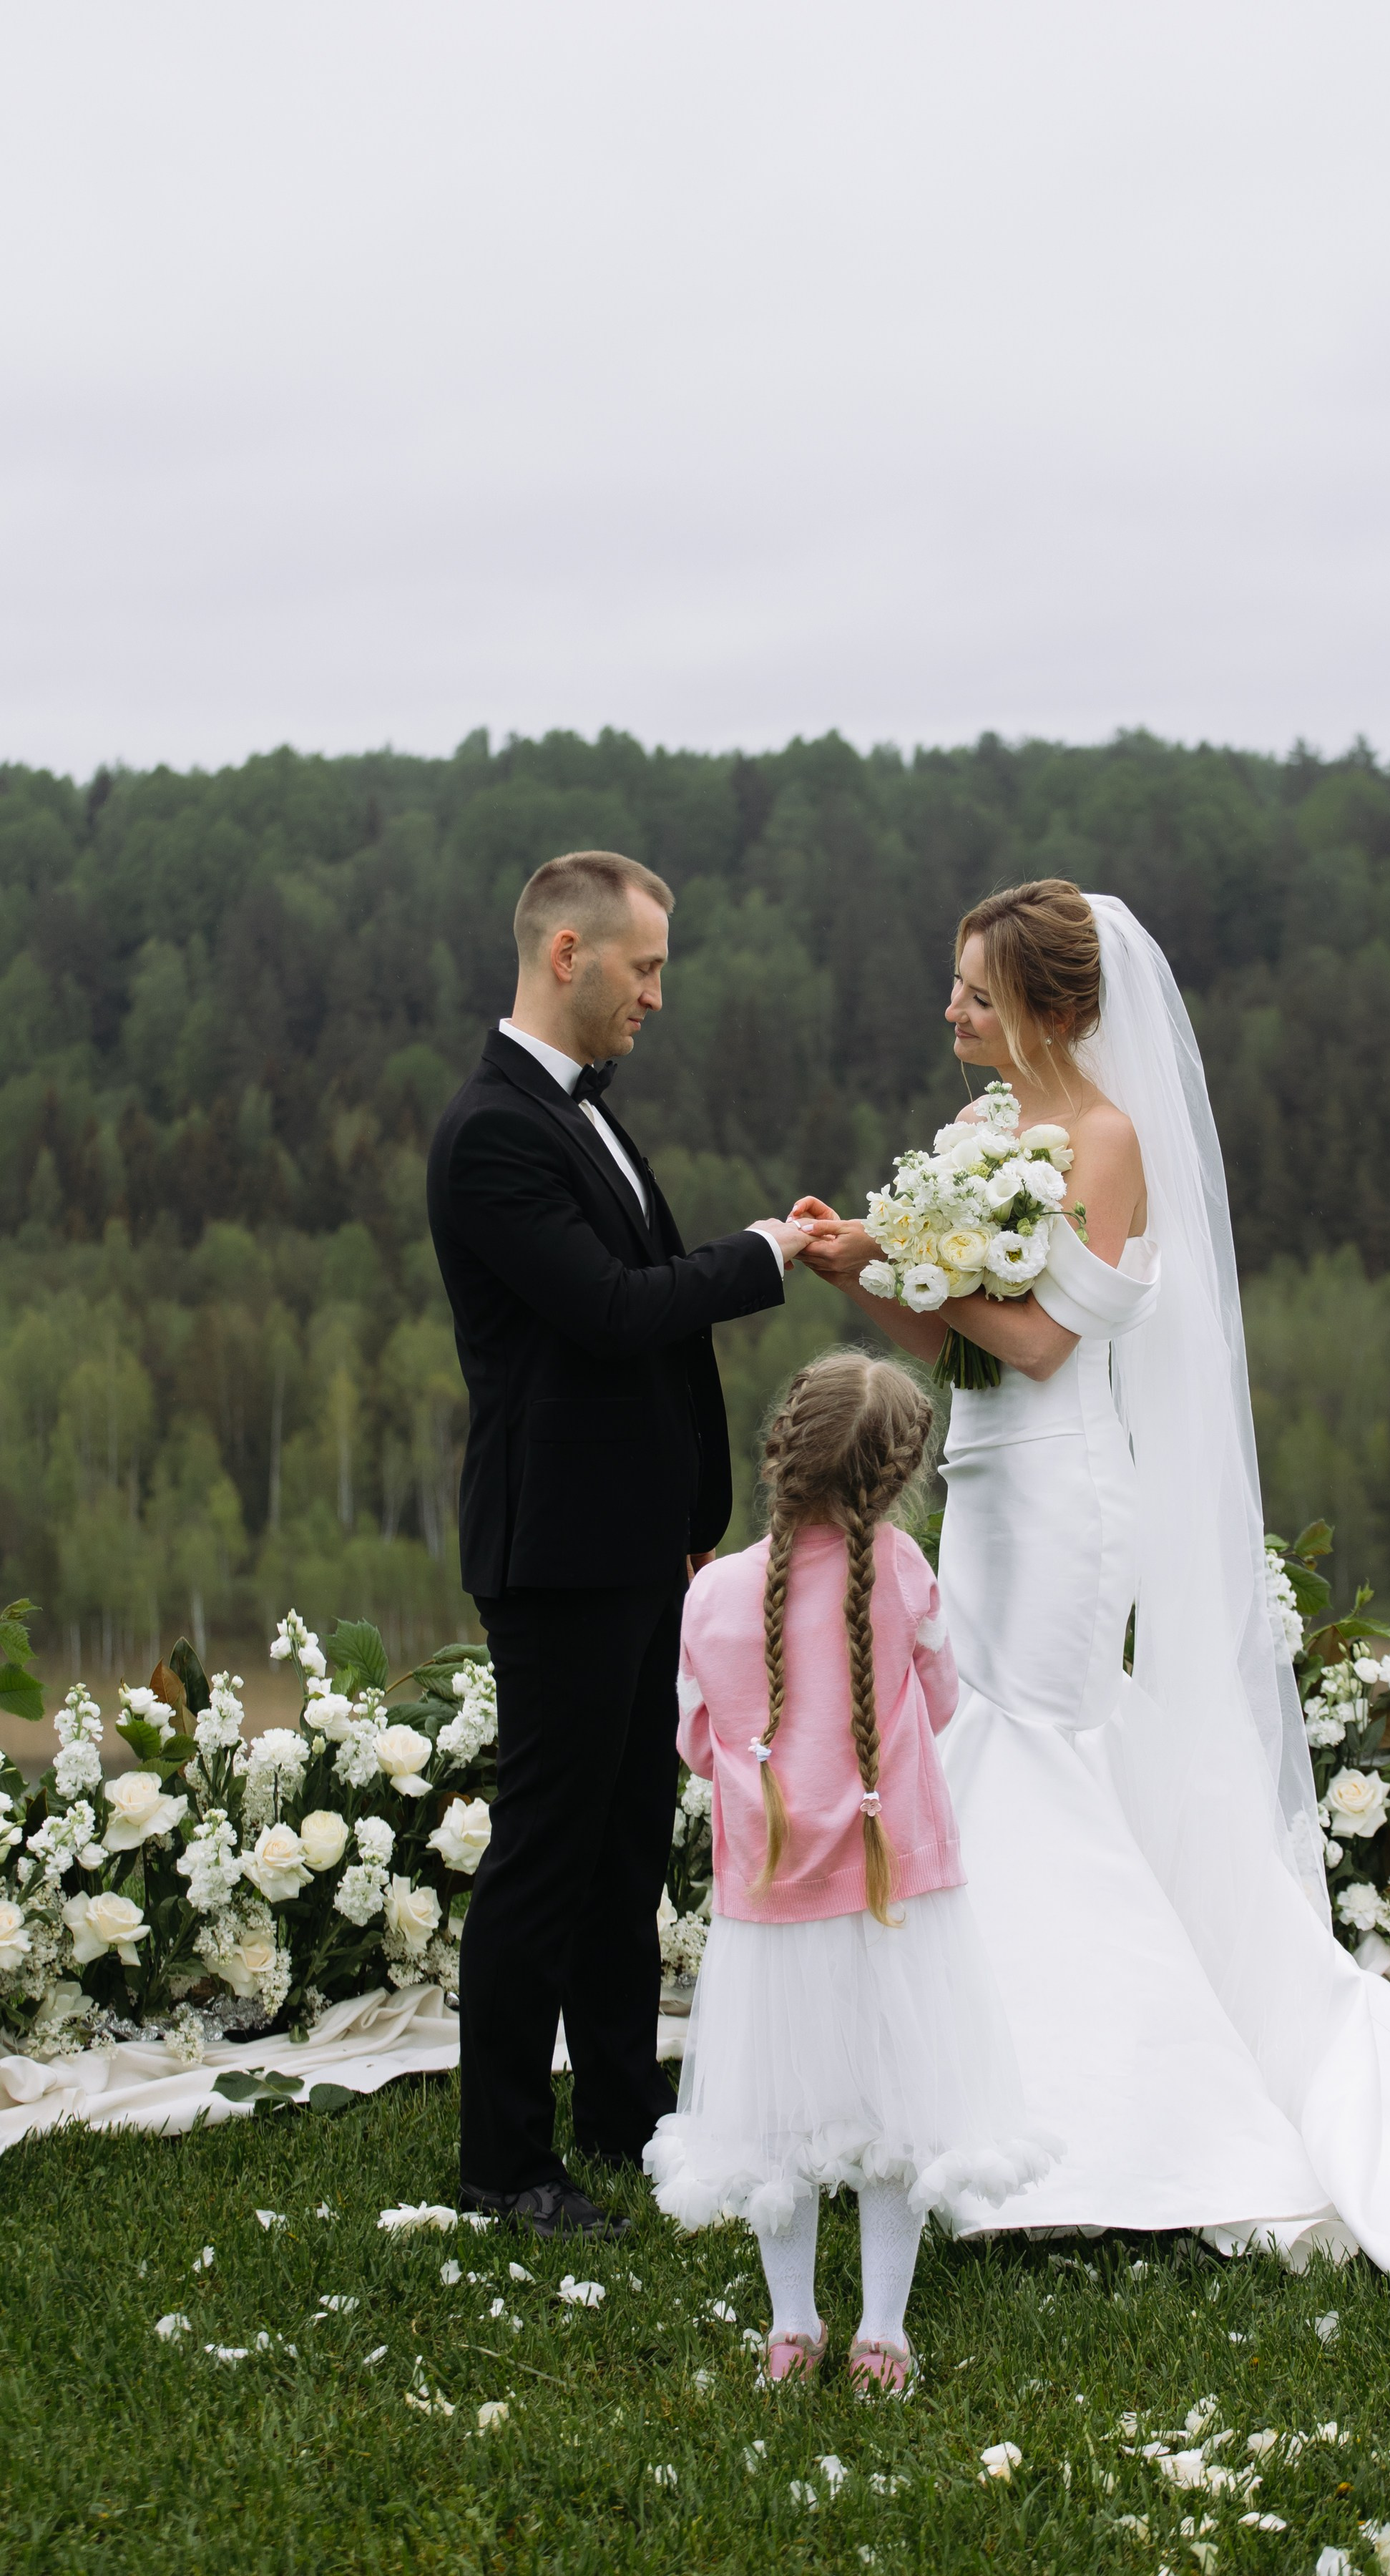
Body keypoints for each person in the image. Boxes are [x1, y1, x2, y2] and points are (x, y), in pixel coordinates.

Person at [797, 877, 1390, 2292]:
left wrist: (897, 1268)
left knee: (1033, 1752)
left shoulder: (1105, 1138)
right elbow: (956, 1343)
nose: (952, 1012)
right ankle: (984, 2095)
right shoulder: (988, 1134)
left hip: (1066, 1487)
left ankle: (1110, 2124)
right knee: (989, 1744)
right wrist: (863, 1268)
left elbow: (1041, 1345)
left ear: (1052, 1008)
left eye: (976, 992)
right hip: (983, 1480)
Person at [427, 849, 810, 2240]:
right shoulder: (494, 1133)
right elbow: (607, 1308)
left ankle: (621, 2109)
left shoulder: (579, 1115)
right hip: (559, 1551)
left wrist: (682, 1528)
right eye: (644, 968)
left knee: (624, 1850)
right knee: (545, 1853)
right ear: (569, 956)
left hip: (635, 1546)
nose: (659, 995)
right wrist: (762, 1255)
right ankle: (503, 2165)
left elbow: (632, 1312)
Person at [643, 1351, 1057, 2390]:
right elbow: (945, 1700)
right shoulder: (904, 1575)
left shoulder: (715, 1596)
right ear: (893, 1478)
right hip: (894, 1896)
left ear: (782, 1450)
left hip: (769, 1905)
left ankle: (791, 2330)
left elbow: (695, 1744)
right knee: (892, 2118)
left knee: (780, 2123)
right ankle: (883, 2335)